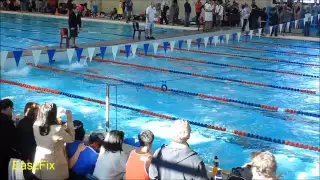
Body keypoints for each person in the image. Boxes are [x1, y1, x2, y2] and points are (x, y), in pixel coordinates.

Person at [32, 102, 75, 180]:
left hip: (39, 162)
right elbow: (71, 139)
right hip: (54, 167)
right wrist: (69, 120)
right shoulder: (57, 129)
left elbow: (47, 133)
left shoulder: (35, 125)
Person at [0, 99, 17, 180]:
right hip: (4, 155)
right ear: (9, 108)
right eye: (12, 109)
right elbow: (14, 138)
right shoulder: (8, 122)